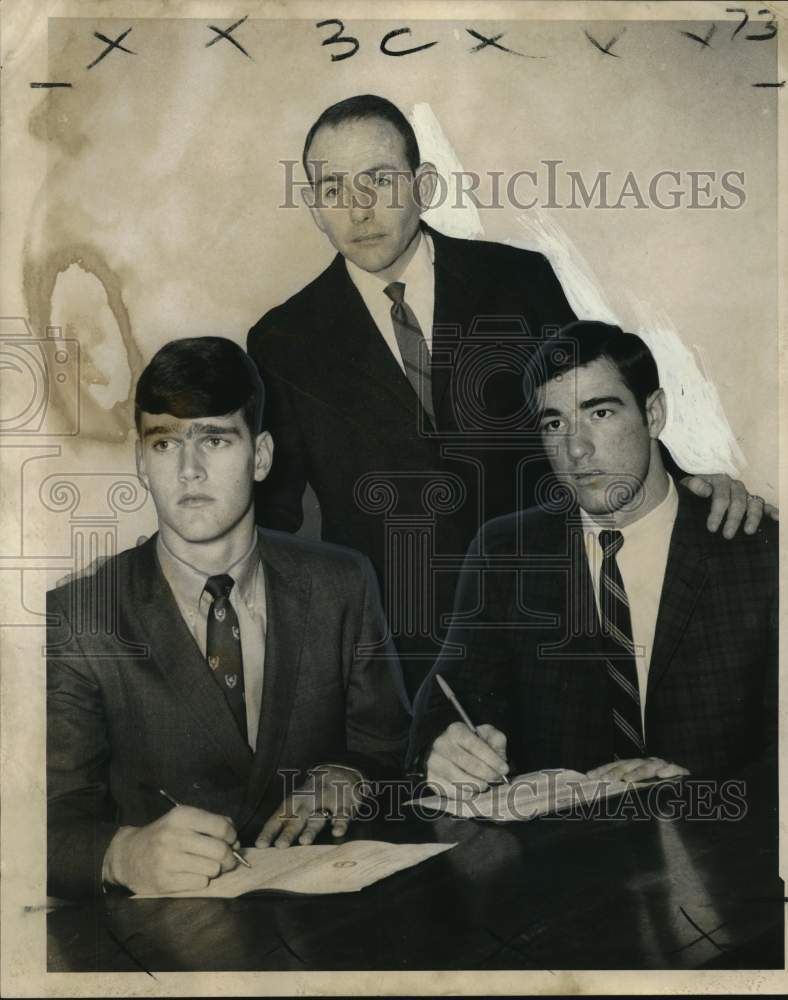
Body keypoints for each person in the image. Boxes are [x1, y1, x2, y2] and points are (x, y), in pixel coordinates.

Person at [248, 93, 770, 696]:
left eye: (380, 180)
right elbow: (274, 517)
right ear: (314, 206)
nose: (359, 208)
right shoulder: (282, 340)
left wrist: (691, 491)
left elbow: (596, 405)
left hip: (553, 620)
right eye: (333, 188)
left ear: (424, 183)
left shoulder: (518, 280)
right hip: (394, 653)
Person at [47, 337, 410, 899]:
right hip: (162, 942)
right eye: (165, 443)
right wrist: (120, 854)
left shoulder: (342, 582)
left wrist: (350, 774)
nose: (189, 470)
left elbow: (393, 750)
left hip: (328, 929)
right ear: (141, 461)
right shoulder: (78, 616)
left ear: (260, 456)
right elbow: (38, 820)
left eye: (215, 439)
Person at [410, 322, 777, 790]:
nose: (576, 448)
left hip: (723, 845)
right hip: (566, 851)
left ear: (655, 414)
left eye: (600, 413)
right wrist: (441, 746)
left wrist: (695, 785)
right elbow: (443, 698)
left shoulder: (755, 551)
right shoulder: (507, 551)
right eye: (555, 423)